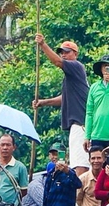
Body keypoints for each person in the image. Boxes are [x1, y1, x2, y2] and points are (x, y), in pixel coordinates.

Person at [31, 35, 91, 165]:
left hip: (80, 124)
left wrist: (43, 45)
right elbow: (65, 99)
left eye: (66, 52)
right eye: (61, 52)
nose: (63, 55)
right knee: (75, 161)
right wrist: (43, 102)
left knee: (79, 164)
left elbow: (57, 62)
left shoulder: (76, 66)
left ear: (75, 54)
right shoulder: (71, 77)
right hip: (78, 125)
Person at [0, 135, 30, 206]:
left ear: (14, 147)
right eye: (2, 145)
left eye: (8, 145)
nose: (5, 148)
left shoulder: (20, 167)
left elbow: (23, 191)